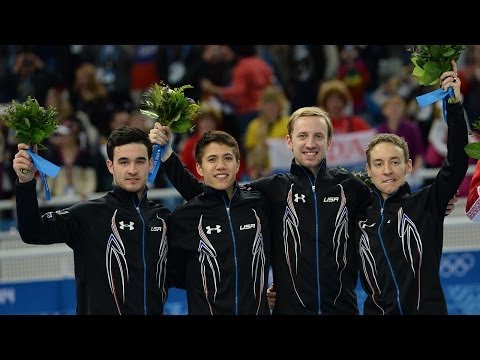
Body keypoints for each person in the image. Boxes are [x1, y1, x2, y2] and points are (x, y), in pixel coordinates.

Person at [154, 107, 371, 315]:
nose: (310, 143)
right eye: (302, 135)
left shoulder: (350, 187)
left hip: (343, 308)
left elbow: (383, 210)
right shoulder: (272, 189)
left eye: (318, 136)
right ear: (289, 141)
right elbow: (213, 194)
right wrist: (167, 157)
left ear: (329, 141)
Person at [13, 126, 171, 315]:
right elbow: (32, 232)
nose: (132, 170)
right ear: (110, 166)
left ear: (150, 164)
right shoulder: (87, 214)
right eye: (123, 162)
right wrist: (26, 182)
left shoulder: (162, 217)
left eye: (140, 161)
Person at [356, 63, 469, 315]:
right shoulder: (358, 216)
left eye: (395, 162)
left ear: (408, 166)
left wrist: (453, 102)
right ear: (368, 170)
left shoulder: (427, 202)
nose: (387, 170)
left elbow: (457, 162)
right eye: (378, 163)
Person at [163, 130, 271, 315]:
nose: (221, 165)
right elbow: (170, 274)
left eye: (227, 158)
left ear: (238, 164)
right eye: (212, 159)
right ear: (199, 167)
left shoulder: (259, 205)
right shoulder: (184, 217)